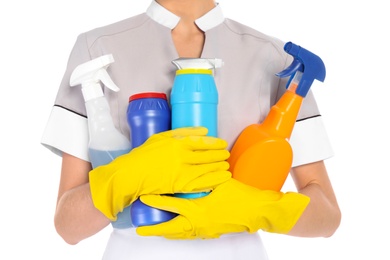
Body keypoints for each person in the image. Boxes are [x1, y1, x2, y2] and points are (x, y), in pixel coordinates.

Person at [41, 0, 341, 259]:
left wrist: (259, 208)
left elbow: (327, 217)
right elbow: (68, 227)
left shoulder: (275, 57)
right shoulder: (97, 48)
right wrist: (128, 176)